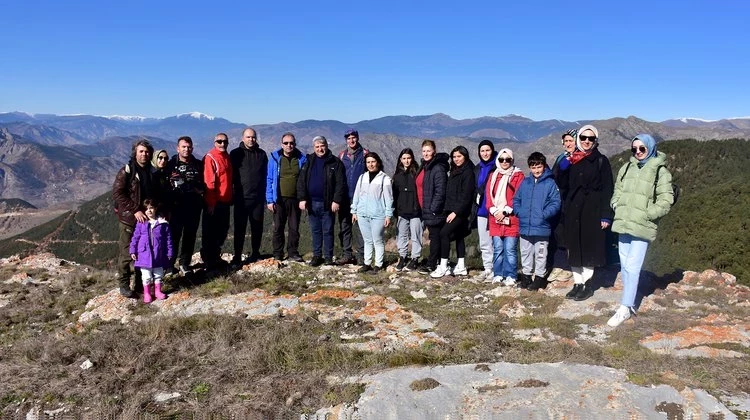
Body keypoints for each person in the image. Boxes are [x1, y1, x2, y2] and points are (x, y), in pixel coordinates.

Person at [608, 134, 674, 327]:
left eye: (642, 148)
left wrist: (648, 213)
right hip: (624, 222)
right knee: (625, 267)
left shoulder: (660, 171)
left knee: (632, 267)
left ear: (650, 148)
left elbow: (666, 200)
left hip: (642, 225)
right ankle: (627, 304)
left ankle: (625, 307)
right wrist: (615, 204)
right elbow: (618, 190)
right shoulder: (627, 167)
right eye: (634, 149)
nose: (637, 152)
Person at [558, 124, 614, 301]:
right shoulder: (571, 160)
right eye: (583, 138)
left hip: (593, 209)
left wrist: (606, 214)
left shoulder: (601, 161)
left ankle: (588, 285)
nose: (587, 141)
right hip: (573, 209)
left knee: (589, 247)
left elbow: (608, 189)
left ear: (595, 140)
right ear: (578, 139)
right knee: (574, 246)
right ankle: (578, 283)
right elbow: (562, 185)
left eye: (591, 138)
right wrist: (563, 167)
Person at [112, 139, 161, 298]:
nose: (144, 154)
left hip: (146, 221)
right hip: (129, 220)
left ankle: (141, 285)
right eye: (141, 151)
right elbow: (118, 194)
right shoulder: (126, 171)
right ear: (135, 153)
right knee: (127, 254)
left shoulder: (152, 172)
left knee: (144, 253)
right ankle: (124, 285)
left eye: (147, 152)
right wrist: (135, 210)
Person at [513, 152, 561, 290]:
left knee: (540, 253)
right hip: (525, 226)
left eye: (539, 167)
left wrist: (544, 214)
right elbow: (517, 199)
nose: (536, 170)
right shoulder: (525, 183)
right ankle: (526, 276)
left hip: (541, 226)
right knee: (526, 252)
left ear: (544, 166)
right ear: (530, 168)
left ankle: (540, 278)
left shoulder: (550, 183)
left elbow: (556, 203)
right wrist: (519, 212)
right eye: (533, 167)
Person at [297, 136, 346, 266]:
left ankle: (328, 257)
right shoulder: (309, 161)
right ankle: (317, 255)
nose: (320, 149)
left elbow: (340, 184)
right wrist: (302, 198)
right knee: (315, 230)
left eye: (322, 145)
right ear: (314, 148)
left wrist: (336, 200)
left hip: (328, 203)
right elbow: (301, 181)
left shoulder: (335, 162)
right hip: (311, 203)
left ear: (326, 145)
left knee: (328, 230)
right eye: (317, 146)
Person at [430, 146, 475, 278]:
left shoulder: (468, 172)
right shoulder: (455, 170)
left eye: (459, 156)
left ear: (465, 156)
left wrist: (455, 212)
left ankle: (443, 266)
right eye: (454, 157)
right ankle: (461, 266)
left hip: (460, 211)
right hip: (451, 209)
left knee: (444, 234)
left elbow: (466, 195)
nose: (456, 159)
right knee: (459, 236)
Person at [485, 148, 524, 285]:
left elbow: (518, 195)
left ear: (512, 160)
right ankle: (498, 273)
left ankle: (511, 274)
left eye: (508, 159)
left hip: (511, 218)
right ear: (498, 160)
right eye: (502, 159)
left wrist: (506, 211)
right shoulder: (493, 175)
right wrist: (494, 210)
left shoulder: (518, 176)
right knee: (497, 249)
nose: (505, 162)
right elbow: (488, 196)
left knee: (510, 249)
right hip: (495, 218)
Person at [166, 136, 204, 275]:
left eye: (188, 147)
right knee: (173, 236)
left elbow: (204, 185)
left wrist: (197, 189)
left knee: (190, 235)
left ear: (192, 148)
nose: (186, 149)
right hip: (175, 207)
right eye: (183, 147)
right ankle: (169, 265)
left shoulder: (199, 164)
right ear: (178, 148)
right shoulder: (170, 165)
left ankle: (184, 263)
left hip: (193, 206)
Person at [266, 132, 307, 262]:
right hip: (279, 198)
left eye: (291, 143)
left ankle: (293, 252)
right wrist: (269, 199)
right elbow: (270, 179)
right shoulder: (275, 158)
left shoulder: (301, 159)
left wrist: (303, 198)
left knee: (294, 228)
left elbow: (304, 180)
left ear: (295, 144)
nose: (289, 145)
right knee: (278, 227)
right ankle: (278, 253)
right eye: (286, 143)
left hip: (295, 199)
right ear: (281, 144)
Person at [230, 127, 268, 266]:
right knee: (239, 228)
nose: (251, 139)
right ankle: (237, 255)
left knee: (257, 227)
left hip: (257, 198)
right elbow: (231, 175)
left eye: (253, 137)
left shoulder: (262, 154)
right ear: (242, 138)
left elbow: (265, 176)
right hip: (241, 198)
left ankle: (255, 253)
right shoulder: (235, 154)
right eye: (248, 137)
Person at [352, 152, 393, 273]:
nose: (370, 164)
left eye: (373, 162)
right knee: (367, 240)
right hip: (362, 213)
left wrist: (388, 214)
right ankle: (367, 263)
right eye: (368, 162)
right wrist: (354, 211)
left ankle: (378, 264)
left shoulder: (384, 179)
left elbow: (389, 198)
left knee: (377, 240)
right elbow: (357, 195)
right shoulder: (362, 177)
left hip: (378, 215)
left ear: (378, 163)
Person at [414, 140, 449, 274]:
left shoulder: (437, 168)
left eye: (428, 151)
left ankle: (431, 264)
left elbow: (441, 190)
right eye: (424, 151)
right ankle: (438, 261)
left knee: (435, 237)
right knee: (435, 236)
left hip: (433, 209)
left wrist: (434, 208)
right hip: (425, 208)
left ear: (434, 151)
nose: (426, 153)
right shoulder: (426, 166)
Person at [129, 199, 173, 303]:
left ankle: (158, 292)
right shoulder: (141, 223)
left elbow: (168, 239)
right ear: (144, 211)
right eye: (146, 209)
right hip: (144, 254)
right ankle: (147, 293)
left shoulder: (163, 223)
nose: (149, 211)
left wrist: (170, 251)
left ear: (155, 208)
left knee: (158, 274)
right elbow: (135, 237)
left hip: (159, 254)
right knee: (146, 276)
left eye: (151, 208)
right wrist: (133, 250)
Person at [200, 132, 233, 271]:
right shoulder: (210, 157)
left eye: (225, 141)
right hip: (214, 202)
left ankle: (215, 256)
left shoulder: (226, 156)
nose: (222, 144)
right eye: (219, 141)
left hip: (225, 201)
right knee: (210, 232)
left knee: (222, 230)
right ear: (214, 142)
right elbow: (209, 182)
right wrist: (211, 203)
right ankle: (208, 260)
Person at [549, 129, 578, 274]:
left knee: (571, 235)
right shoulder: (562, 157)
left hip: (573, 201)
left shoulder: (580, 157)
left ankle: (571, 268)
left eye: (571, 140)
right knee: (559, 233)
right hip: (560, 200)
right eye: (566, 141)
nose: (568, 144)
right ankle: (561, 267)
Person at [336, 128, 367, 265]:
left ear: (358, 138)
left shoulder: (366, 154)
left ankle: (361, 255)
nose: (351, 140)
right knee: (345, 226)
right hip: (344, 197)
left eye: (353, 137)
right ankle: (347, 253)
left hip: (360, 197)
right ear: (346, 140)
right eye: (348, 138)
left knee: (360, 227)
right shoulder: (342, 156)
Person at [392, 148, 423, 271]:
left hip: (416, 211)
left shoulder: (417, 173)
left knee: (416, 235)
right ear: (400, 160)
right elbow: (394, 194)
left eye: (409, 158)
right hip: (402, 211)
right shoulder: (397, 176)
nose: (406, 161)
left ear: (412, 158)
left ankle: (415, 258)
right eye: (404, 158)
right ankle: (403, 257)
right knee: (401, 236)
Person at [474, 140, 498, 281]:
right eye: (482, 151)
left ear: (492, 150)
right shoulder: (478, 168)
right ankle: (487, 268)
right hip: (481, 209)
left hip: (495, 210)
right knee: (484, 241)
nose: (485, 153)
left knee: (497, 241)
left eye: (487, 150)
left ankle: (497, 269)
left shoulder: (498, 166)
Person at [151, 149, 172, 221]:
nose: (163, 160)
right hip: (151, 211)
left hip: (162, 210)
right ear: (155, 158)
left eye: (165, 158)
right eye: (160, 157)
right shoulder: (149, 174)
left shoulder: (164, 173)